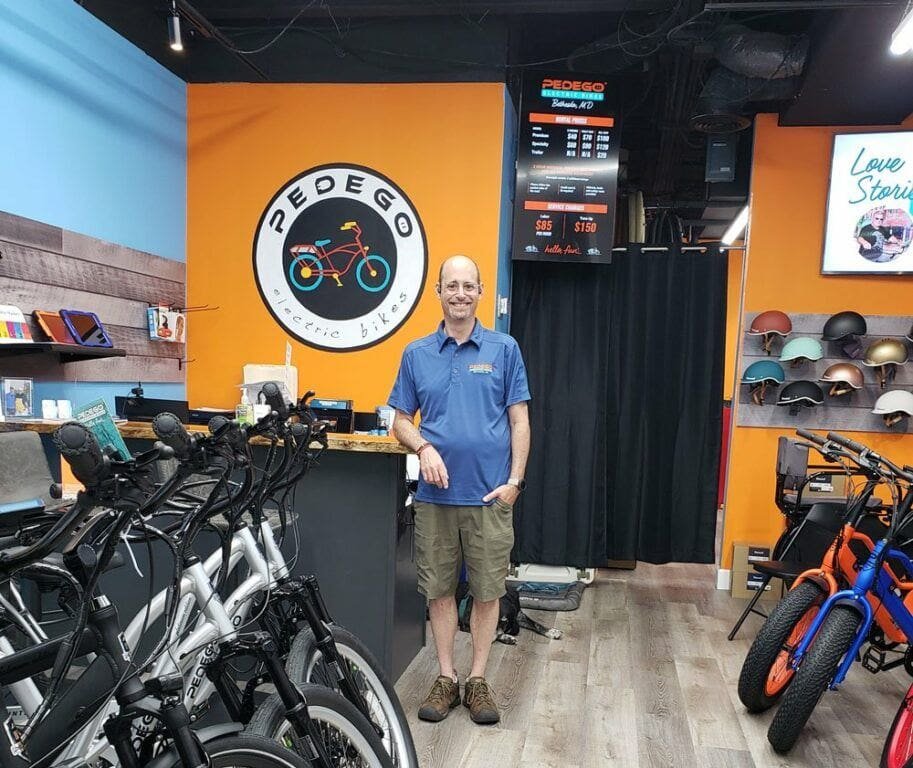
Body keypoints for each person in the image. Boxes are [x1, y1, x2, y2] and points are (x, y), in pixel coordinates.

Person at [388, 255, 530, 726]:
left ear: (481, 291)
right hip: (435, 501)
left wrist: (514, 483)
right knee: (439, 591)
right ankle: (447, 677)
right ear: (439, 292)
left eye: (469, 285)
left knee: (488, 592)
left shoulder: (504, 348)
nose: (461, 293)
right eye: (453, 285)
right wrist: (423, 447)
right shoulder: (417, 353)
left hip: (490, 498)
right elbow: (399, 421)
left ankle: (479, 679)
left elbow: (519, 420)